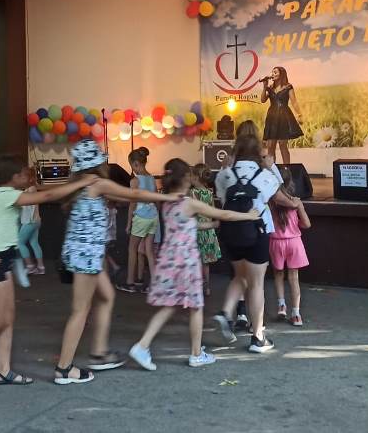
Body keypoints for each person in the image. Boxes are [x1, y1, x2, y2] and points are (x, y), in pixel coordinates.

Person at [0, 155, 95, 387]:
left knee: (7, 319)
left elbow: (43, 190)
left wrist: (72, 183)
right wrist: (82, 182)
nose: (29, 177)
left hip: (2, 259)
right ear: (14, 177)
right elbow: (46, 196)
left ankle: (3, 370)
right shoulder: (5, 194)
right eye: (25, 174)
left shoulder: (3, 192)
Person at [53, 139, 179, 386]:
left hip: (87, 255)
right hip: (87, 257)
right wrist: (166, 197)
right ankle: (64, 368)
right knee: (80, 310)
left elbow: (123, 196)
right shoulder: (96, 183)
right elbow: (134, 194)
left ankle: (99, 353)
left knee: (107, 296)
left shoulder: (82, 185)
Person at [129, 158, 260, 371]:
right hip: (186, 262)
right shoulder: (188, 202)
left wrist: (209, 225)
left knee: (169, 306)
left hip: (169, 260)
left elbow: (185, 225)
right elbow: (224, 213)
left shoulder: (168, 203)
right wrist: (249, 216)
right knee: (196, 307)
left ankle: (143, 345)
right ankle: (196, 354)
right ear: (186, 178)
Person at [213, 135, 301, 354]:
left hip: (231, 231)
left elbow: (222, 199)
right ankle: (258, 336)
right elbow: (280, 195)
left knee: (240, 276)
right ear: (257, 152)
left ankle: (226, 312)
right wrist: (272, 169)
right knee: (256, 284)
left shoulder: (224, 175)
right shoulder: (264, 175)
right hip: (257, 231)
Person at [269, 167, 311, 327]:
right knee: (294, 278)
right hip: (294, 242)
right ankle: (296, 314)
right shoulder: (296, 202)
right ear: (290, 182)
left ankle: (281, 306)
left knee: (278, 274)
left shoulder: (271, 201)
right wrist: (296, 223)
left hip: (276, 242)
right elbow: (307, 224)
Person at [118, 148, 159, 293]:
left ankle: (130, 282)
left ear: (135, 163)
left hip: (141, 217)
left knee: (132, 249)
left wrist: (129, 223)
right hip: (153, 216)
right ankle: (155, 284)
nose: (132, 170)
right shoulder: (152, 178)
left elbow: (132, 204)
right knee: (149, 250)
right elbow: (156, 199)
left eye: (131, 166)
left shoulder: (135, 181)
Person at [259, 66, 304, 164]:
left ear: (281, 74)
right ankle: (272, 169)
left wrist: (299, 114)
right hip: (272, 117)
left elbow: (294, 102)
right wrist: (264, 86)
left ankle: (287, 168)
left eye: (275, 72)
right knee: (271, 145)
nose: (273, 74)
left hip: (284, 116)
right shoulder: (270, 88)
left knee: (282, 144)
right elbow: (262, 100)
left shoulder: (288, 86)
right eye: (272, 72)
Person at [190, 164, 221, 297]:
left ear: (196, 177)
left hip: (197, 229)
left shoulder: (193, 192)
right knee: (205, 263)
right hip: (208, 230)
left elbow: (192, 211)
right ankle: (207, 287)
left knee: (195, 261)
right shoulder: (209, 192)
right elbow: (212, 210)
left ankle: (195, 287)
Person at [17, 167, 45, 275]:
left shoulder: (31, 190)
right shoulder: (29, 190)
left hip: (30, 222)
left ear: (30, 179)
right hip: (34, 221)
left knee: (20, 243)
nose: (21, 179)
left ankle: (30, 266)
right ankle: (41, 267)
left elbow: (26, 203)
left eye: (23, 177)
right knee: (34, 243)